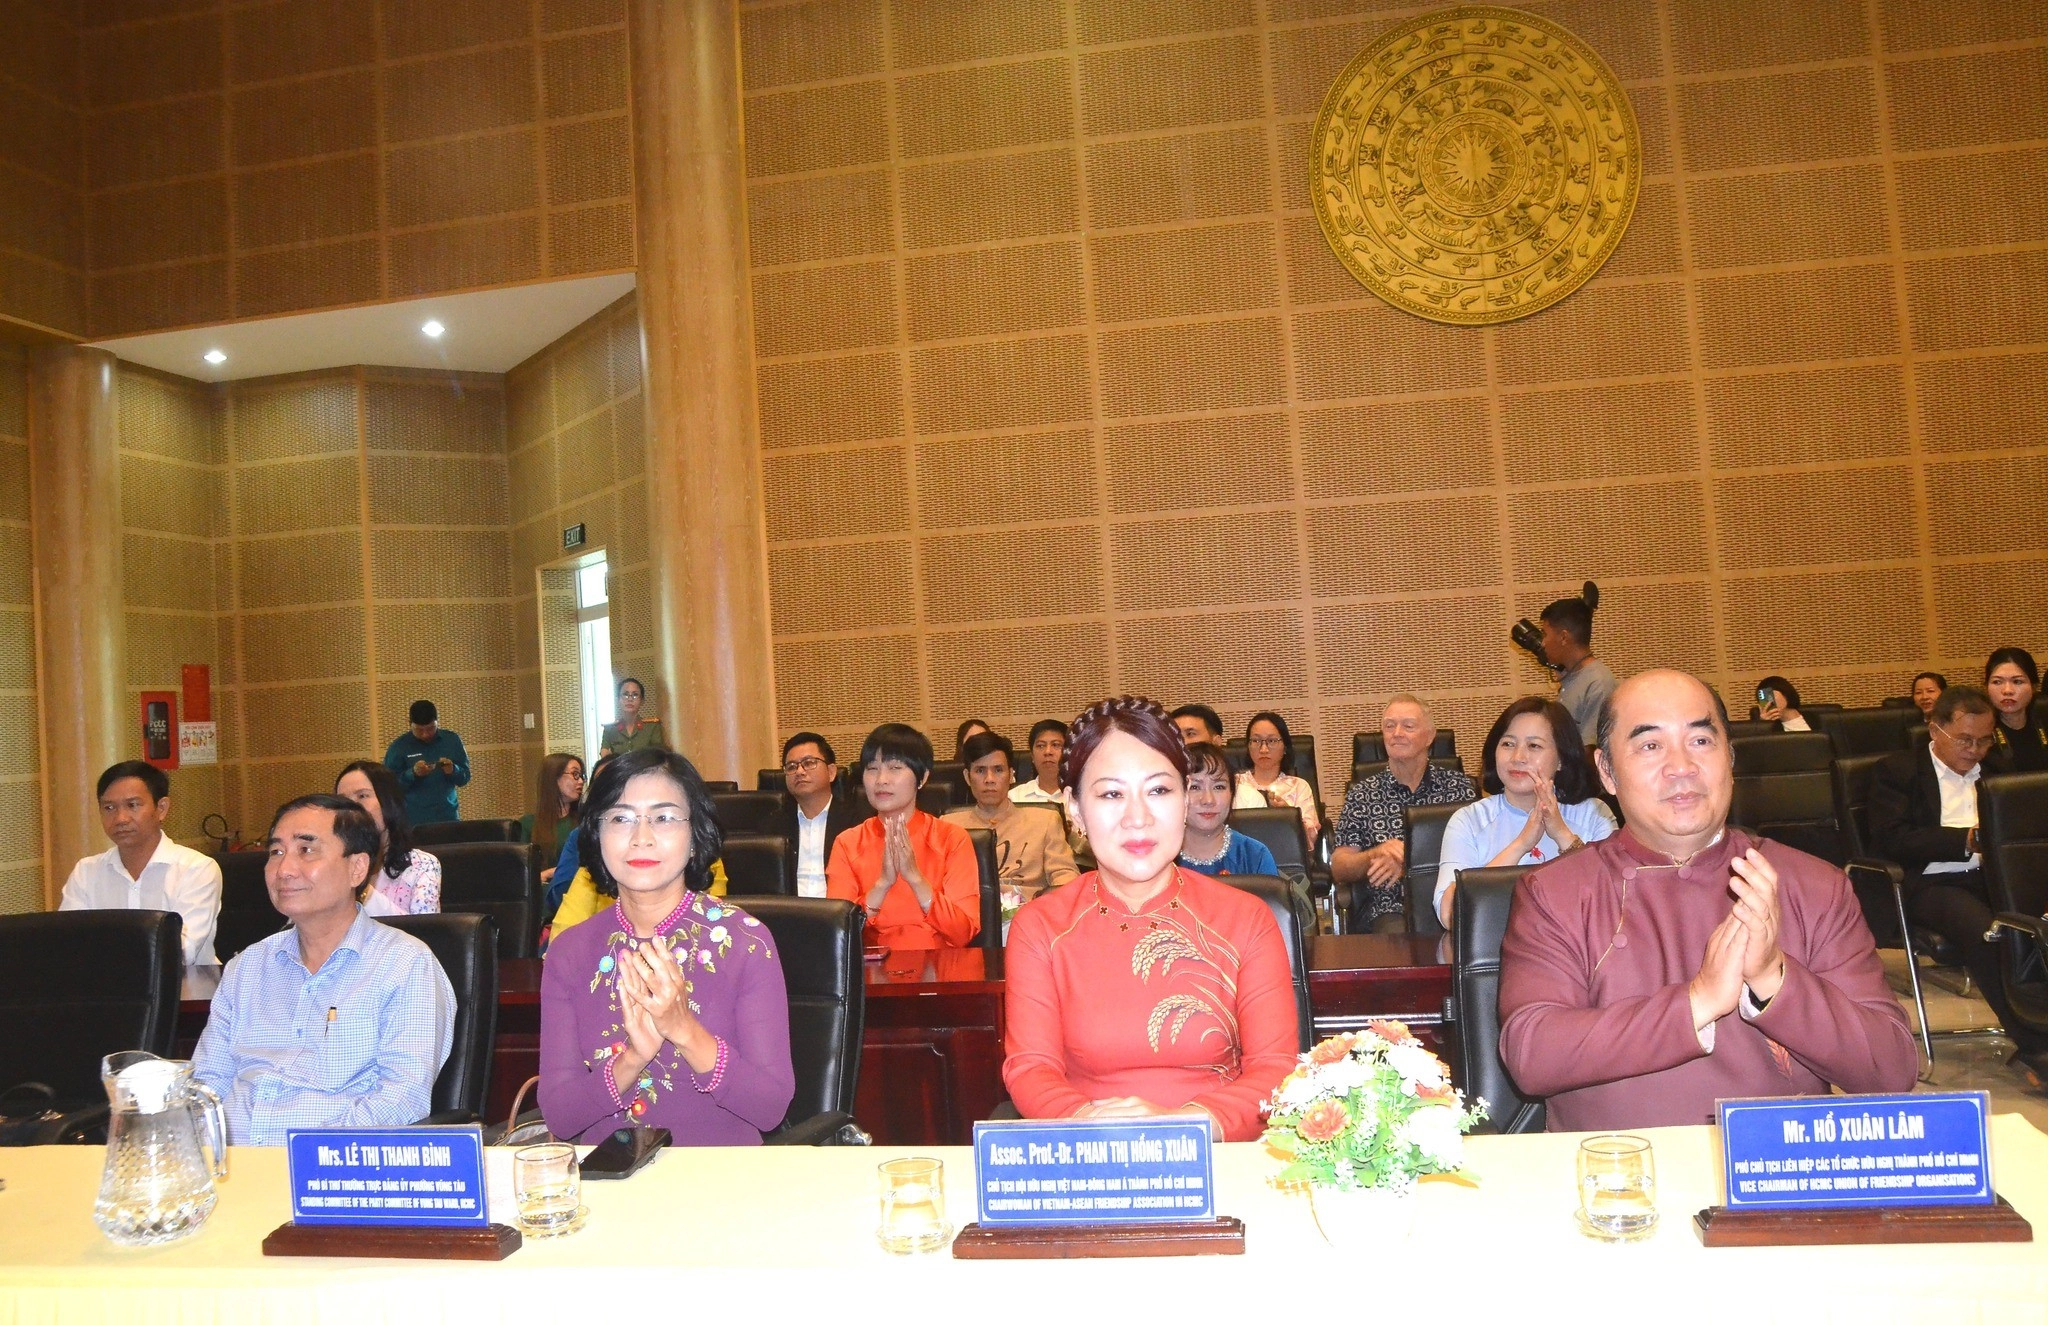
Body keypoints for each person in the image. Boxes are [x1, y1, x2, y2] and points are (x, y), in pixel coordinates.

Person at [1498, 669, 1917, 1131]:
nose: (1682, 767)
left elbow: (1891, 1069)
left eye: (1700, 741)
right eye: (1650, 745)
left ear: (1729, 759)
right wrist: (1697, 1002)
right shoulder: (1556, 892)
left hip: (1773, 1165)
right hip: (1616, 1167)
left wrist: (1773, 977)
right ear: (1607, 772)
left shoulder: (1813, 885)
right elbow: (1532, 1053)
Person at [1003, 696, 1299, 1140]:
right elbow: (1030, 1068)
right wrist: (1087, 1122)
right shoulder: (1041, 927)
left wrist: (1185, 1125)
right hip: (1089, 1150)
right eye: (1111, 794)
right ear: (1074, 808)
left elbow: (1275, 1069)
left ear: (1184, 799)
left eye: (1159, 790)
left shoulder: (1247, 919)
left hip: (1218, 1149)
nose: (1137, 818)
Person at [539, 748, 794, 1144]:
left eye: (663, 818)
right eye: (621, 818)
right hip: (609, 1175)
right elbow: (560, 1117)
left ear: (695, 837)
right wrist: (633, 1059)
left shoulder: (745, 941)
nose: (641, 838)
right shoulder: (569, 952)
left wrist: (684, 1029)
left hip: (721, 1175)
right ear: (596, 835)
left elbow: (769, 1107)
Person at [191, 795, 454, 1145]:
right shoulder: (246, 968)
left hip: (335, 1164)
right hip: (232, 1164)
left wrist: (311, 1152)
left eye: (306, 850)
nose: (284, 869)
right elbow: (206, 1085)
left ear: (357, 869)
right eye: (276, 852)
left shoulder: (405, 964)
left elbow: (402, 1100)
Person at [1870, 685, 2048, 1071]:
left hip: (1996, 880)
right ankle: (2036, 1046)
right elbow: (1891, 839)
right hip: (1933, 883)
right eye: (1964, 740)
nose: (1975, 750)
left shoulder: (1999, 768)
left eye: (1984, 740)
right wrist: (1964, 841)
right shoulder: (1898, 772)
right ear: (1935, 730)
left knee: (2035, 927)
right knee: (1989, 933)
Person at [1435, 698, 1616, 928]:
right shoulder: (1469, 820)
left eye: (1534, 746)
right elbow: (1450, 914)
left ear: (1561, 759)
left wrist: (1561, 834)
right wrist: (1521, 844)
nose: (1518, 757)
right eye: (1508, 744)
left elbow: (1615, 899)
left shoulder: (1594, 814)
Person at [825, 723, 980, 950]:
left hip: (940, 964)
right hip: (871, 968)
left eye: (895, 767)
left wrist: (915, 879)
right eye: (872, 768)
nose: (881, 779)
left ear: (922, 778)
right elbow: (838, 933)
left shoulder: (951, 838)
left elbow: (963, 932)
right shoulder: (847, 843)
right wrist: (882, 884)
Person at [1330, 696, 1476, 931]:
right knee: (1397, 938)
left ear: (1429, 736)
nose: (1397, 733)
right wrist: (1375, 853)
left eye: (1408, 726)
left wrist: (1410, 863)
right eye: (1389, 726)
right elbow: (1339, 867)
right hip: (1389, 907)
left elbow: (1479, 852)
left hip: (1450, 899)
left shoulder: (1459, 789)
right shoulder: (1362, 794)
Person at [60, 760, 222, 966]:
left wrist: (105, 950)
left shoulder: (197, 869)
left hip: (186, 984)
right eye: (109, 808)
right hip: (106, 984)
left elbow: (181, 952)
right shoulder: (86, 872)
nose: (120, 818)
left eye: (133, 805)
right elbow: (69, 944)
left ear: (161, 808)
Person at [943, 731, 1078, 897]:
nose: (989, 779)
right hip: (968, 910)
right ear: (967, 777)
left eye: (998, 770)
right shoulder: (948, 826)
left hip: (1030, 908)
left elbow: (1066, 876)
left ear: (1011, 775)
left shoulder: (1045, 821)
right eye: (980, 770)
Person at [335, 761, 440, 916]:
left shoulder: (422, 864)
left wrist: (363, 890)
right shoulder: (332, 864)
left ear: (388, 801)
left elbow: (423, 928)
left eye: (362, 796)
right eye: (343, 800)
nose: (352, 807)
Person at [776, 732, 866, 899]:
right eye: (791, 767)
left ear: (831, 772)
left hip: (840, 911)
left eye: (809, 763)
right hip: (787, 912)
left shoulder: (858, 824)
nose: (799, 771)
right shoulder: (772, 828)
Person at [1177, 743, 1279, 877]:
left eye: (1219, 787)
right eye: (1194, 787)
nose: (1208, 800)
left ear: (1232, 793)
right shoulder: (1160, 857)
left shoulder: (1254, 855)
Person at [1539, 588, 1616, 747]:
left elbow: (1592, 750)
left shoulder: (1598, 683)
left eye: (1545, 634)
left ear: (1563, 637)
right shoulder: (1571, 676)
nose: (1543, 643)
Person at [1237, 711, 1320, 848]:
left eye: (1272, 741)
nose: (1263, 749)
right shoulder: (1234, 784)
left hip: (1286, 855)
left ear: (1285, 747)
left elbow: (1311, 841)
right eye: (1256, 741)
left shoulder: (1299, 786)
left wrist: (1289, 815)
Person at [383, 699, 469, 825]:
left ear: (437, 722)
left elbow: (465, 778)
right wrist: (412, 774)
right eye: (419, 730)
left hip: (447, 817)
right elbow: (388, 786)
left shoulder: (452, 740)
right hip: (413, 821)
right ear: (410, 724)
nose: (425, 734)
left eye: (430, 729)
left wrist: (453, 770)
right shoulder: (399, 747)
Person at [1168, 703, 1262, 808]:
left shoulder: (1248, 799)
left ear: (1216, 742)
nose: (1182, 742)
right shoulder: (1162, 793)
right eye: (1176, 736)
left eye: (1190, 734)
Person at [523, 753, 585, 885]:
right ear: (553, 778)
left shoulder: (585, 820)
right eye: (575, 774)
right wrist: (541, 876)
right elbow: (518, 873)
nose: (580, 781)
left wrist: (554, 872)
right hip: (540, 892)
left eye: (581, 776)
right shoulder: (527, 824)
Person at [1985, 647, 2047, 773]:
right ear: (1986, 687)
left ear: (2034, 687)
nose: (2007, 690)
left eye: (2017, 681)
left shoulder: (2044, 722)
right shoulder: (1979, 732)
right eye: (1997, 682)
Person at [599, 678, 667, 757]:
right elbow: (605, 757)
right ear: (618, 699)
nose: (630, 699)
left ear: (642, 701)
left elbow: (657, 756)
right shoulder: (610, 729)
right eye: (625, 694)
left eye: (635, 695)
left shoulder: (652, 727)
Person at [1009, 719, 1069, 808]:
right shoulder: (1014, 797)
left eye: (1055, 745)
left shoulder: (1081, 796)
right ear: (1032, 756)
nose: (1048, 752)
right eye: (1041, 746)